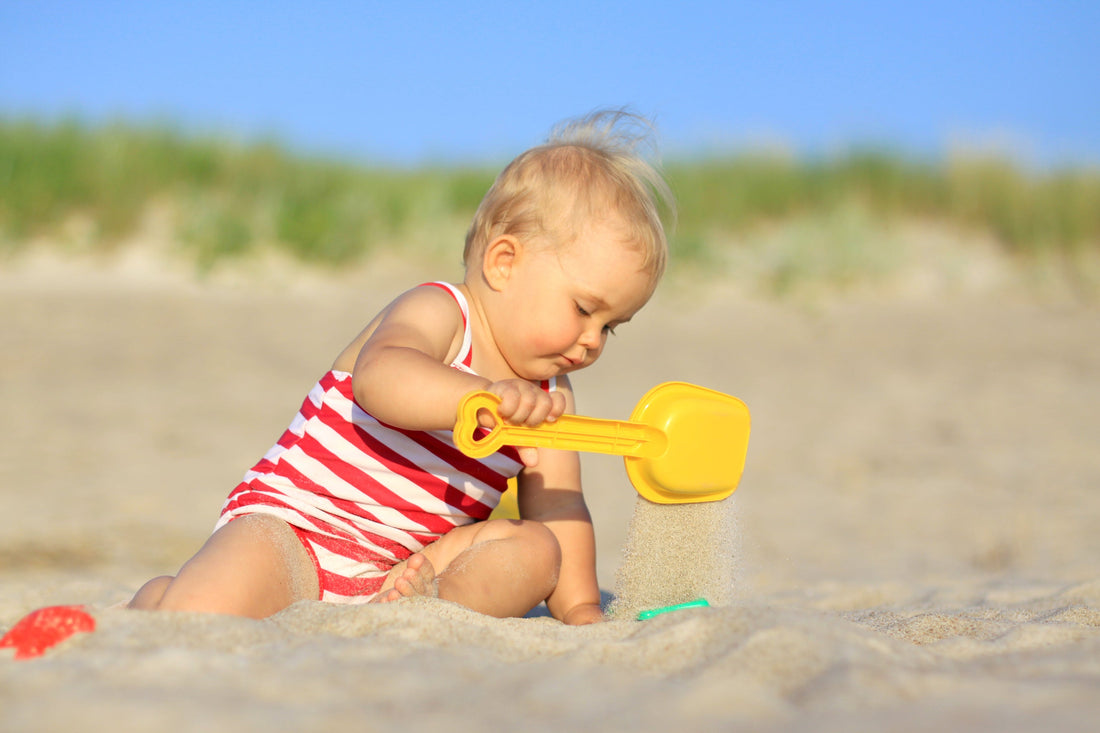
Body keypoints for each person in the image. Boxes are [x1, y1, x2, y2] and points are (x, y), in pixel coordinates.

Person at [128, 109, 674, 625]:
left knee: (536, 548)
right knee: (199, 610)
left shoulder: (550, 394)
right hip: (299, 530)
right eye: (583, 309)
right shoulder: (441, 313)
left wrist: (581, 607)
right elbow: (381, 379)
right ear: (504, 263)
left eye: (611, 326)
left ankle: (430, 606)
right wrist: (477, 399)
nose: (591, 341)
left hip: (405, 569)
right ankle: (165, 599)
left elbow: (560, 504)